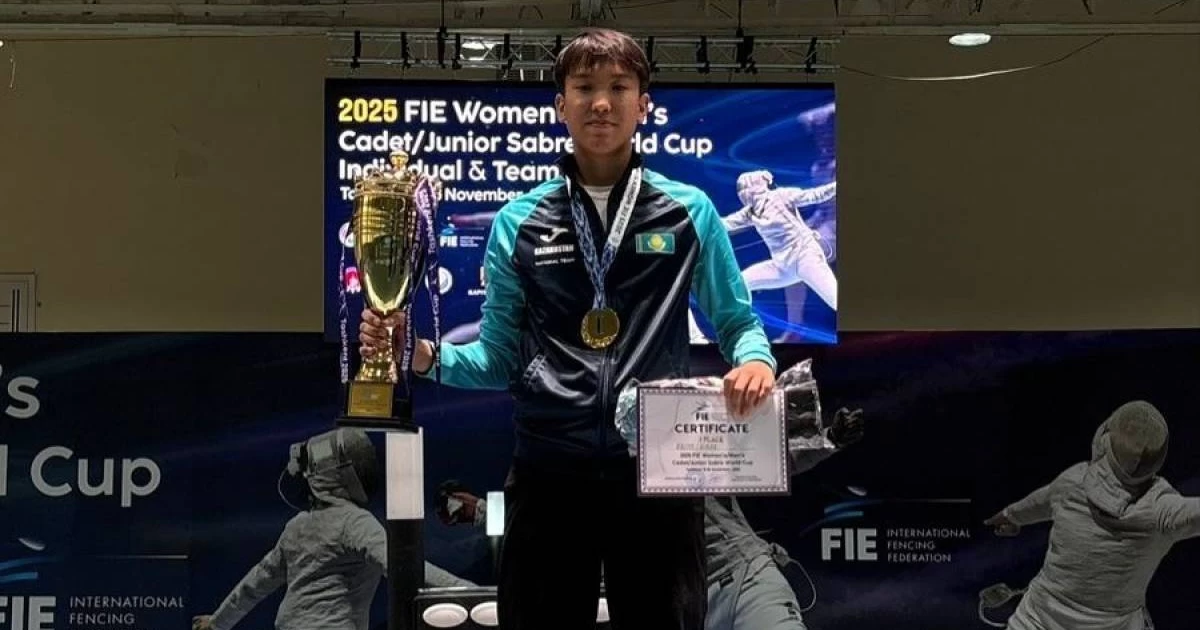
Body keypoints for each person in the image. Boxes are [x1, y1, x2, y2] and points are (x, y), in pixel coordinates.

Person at [359, 27, 777, 630]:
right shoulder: (518, 222)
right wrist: (422, 354)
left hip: (657, 473)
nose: (600, 103)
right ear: (561, 105)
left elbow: (737, 319)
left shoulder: (689, 211)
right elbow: (498, 359)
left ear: (643, 105)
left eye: (618, 87)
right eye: (584, 88)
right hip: (549, 474)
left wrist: (757, 360)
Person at [433, 407, 864, 630]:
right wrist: (478, 511)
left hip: (745, 581)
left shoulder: (686, 443)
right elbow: (542, 518)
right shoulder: (585, 468)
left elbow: (767, 462)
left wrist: (827, 440)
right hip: (678, 604)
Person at [191, 428, 474, 630]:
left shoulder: (297, 526)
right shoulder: (354, 522)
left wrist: (217, 622)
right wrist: (476, 595)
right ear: (342, 471)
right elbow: (405, 568)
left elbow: (256, 583)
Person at [983, 401, 1200, 630]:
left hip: (1034, 621)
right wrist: (1012, 516)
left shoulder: (1072, 482)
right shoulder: (1163, 511)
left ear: (1105, 438)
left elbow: (1038, 503)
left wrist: (1010, 516)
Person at [687, 168, 837, 344]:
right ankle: (730, 332)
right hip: (782, 266)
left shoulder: (782, 196)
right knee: (739, 284)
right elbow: (723, 224)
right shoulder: (750, 212)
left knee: (835, 298)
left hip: (805, 257)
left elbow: (815, 195)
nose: (744, 195)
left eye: (745, 189)